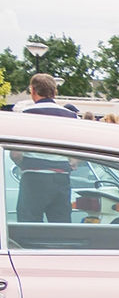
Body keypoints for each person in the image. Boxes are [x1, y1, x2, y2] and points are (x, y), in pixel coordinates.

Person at [14, 74, 77, 223]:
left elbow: (15, 154)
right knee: (61, 225)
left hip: (33, 177)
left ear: (33, 91)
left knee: (29, 223)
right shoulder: (71, 116)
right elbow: (76, 156)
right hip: (61, 176)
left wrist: (24, 164)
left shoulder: (26, 115)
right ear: (54, 92)